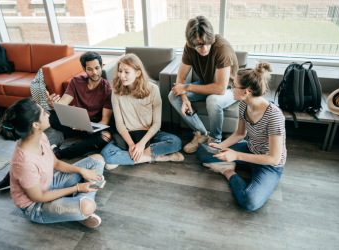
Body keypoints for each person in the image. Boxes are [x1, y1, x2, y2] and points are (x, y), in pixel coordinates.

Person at [0, 51, 114, 191]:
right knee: (48, 115)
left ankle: (59, 153)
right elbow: (63, 104)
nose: (94, 72)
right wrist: (53, 105)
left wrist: (86, 127)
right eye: (90, 69)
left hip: (92, 127)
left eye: (97, 68)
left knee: (105, 138)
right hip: (73, 121)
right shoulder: (76, 82)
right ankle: (12, 173)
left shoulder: (107, 89)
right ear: (84, 69)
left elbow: (104, 120)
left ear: (102, 66)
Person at [0, 98, 105, 227]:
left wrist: (82, 170)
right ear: (35, 124)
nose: (48, 113)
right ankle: (80, 203)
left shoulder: (40, 136)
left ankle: (76, 204)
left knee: (97, 159)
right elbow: (38, 197)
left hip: (50, 182)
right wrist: (77, 188)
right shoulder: (23, 163)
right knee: (88, 206)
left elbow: (56, 163)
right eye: (44, 113)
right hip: (35, 205)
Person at [196, 62, 287, 211]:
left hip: (269, 165)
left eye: (234, 85)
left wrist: (236, 156)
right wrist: (221, 146)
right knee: (202, 152)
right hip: (250, 149)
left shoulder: (274, 116)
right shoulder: (244, 104)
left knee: (249, 202)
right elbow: (240, 134)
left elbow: (274, 158)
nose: (230, 87)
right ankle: (230, 163)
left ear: (246, 91)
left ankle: (227, 171)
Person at [168, 15, 239, 153]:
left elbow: (220, 88)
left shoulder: (222, 48)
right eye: (199, 45)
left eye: (207, 43)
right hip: (206, 84)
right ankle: (201, 134)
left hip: (231, 88)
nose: (204, 48)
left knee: (213, 100)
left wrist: (187, 88)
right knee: (173, 95)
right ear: (190, 43)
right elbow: (181, 77)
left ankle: (215, 139)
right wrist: (184, 99)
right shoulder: (189, 48)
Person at [101, 54, 184, 169]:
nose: (122, 75)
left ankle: (126, 158)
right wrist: (131, 145)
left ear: (138, 73)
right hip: (128, 135)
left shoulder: (153, 89)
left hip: (149, 134)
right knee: (106, 155)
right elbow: (119, 124)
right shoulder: (116, 92)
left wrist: (141, 145)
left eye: (126, 72)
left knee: (176, 142)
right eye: (120, 71)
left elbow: (156, 124)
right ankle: (156, 157)